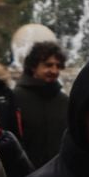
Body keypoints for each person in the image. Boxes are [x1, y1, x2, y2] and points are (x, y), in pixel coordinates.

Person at [14, 40, 70, 168]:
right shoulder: (15, 98)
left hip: (58, 174)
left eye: (58, 66)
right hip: (24, 176)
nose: (54, 70)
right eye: (48, 65)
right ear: (33, 66)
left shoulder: (64, 101)